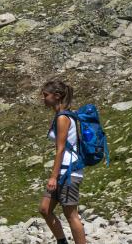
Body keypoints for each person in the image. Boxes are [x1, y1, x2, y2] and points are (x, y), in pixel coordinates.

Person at [39, 81, 86, 244]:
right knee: (45, 209)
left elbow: (60, 149)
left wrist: (53, 177)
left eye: (46, 95)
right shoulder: (62, 115)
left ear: (57, 96)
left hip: (68, 172)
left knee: (71, 215)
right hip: (63, 171)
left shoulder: (63, 118)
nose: (43, 98)